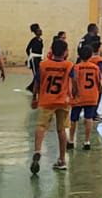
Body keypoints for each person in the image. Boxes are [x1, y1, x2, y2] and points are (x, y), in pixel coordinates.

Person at [30, 39, 72, 174]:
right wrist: (73, 96)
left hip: (46, 100)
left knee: (41, 127)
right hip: (62, 101)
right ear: (65, 52)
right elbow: (74, 81)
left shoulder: (43, 65)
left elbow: (37, 82)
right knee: (61, 129)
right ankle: (62, 160)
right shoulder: (69, 65)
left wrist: (34, 97)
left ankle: (37, 150)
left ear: (51, 50)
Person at [68, 45, 102, 151]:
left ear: (79, 55)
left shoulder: (76, 67)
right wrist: (97, 92)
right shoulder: (96, 68)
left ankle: (71, 141)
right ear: (91, 55)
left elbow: (73, 81)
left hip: (79, 96)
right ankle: (87, 141)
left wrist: (73, 93)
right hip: (91, 96)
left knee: (74, 119)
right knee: (89, 118)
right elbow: (100, 83)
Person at [25, 24, 44, 90]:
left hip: (39, 58)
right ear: (36, 32)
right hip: (34, 59)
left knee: (39, 73)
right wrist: (30, 57)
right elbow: (27, 49)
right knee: (36, 74)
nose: (41, 31)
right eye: (39, 31)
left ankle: (31, 87)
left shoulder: (41, 40)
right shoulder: (33, 40)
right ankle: (34, 88)